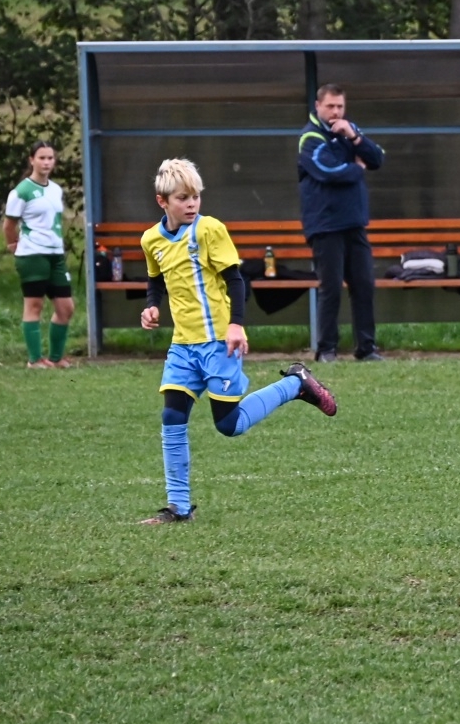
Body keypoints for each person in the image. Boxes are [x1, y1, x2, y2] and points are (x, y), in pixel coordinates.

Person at [137, 159, 338, 525]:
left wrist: (235, 325)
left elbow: (236, 280)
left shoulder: (209, 230)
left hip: (218, 343)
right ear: (162, 201)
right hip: (183, 347)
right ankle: (178, 508)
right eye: (183, 198)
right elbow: (155, 279)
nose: (192, 203)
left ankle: (295, 384)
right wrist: (151, 306)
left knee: (229, 425)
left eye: (196, 196)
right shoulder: (151, 240)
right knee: (172, 417)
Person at [297, 83, 387, 362]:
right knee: (331, 287)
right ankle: (326, 349)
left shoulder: (349, 130)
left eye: (340, 106)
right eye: (330, 106)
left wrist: (356, 139)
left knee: (364, 284)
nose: (336, 112)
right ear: (318, 106)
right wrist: (357, 167)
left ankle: (366, 348)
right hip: (325, 225)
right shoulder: (310, 138)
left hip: (354, 223)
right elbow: (329, 171)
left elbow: (377, 158)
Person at [4, 141, 75, 368]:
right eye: (41, 158)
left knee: (66, 308)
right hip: (32, 255)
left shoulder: (55, 189)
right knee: (34, 305)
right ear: (31, 160)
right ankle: (34, 360)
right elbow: (9, 225)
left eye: (50, 158)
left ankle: (55, 358)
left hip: (55, 255)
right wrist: (13, 245)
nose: (46, 162)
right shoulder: (21, 191)